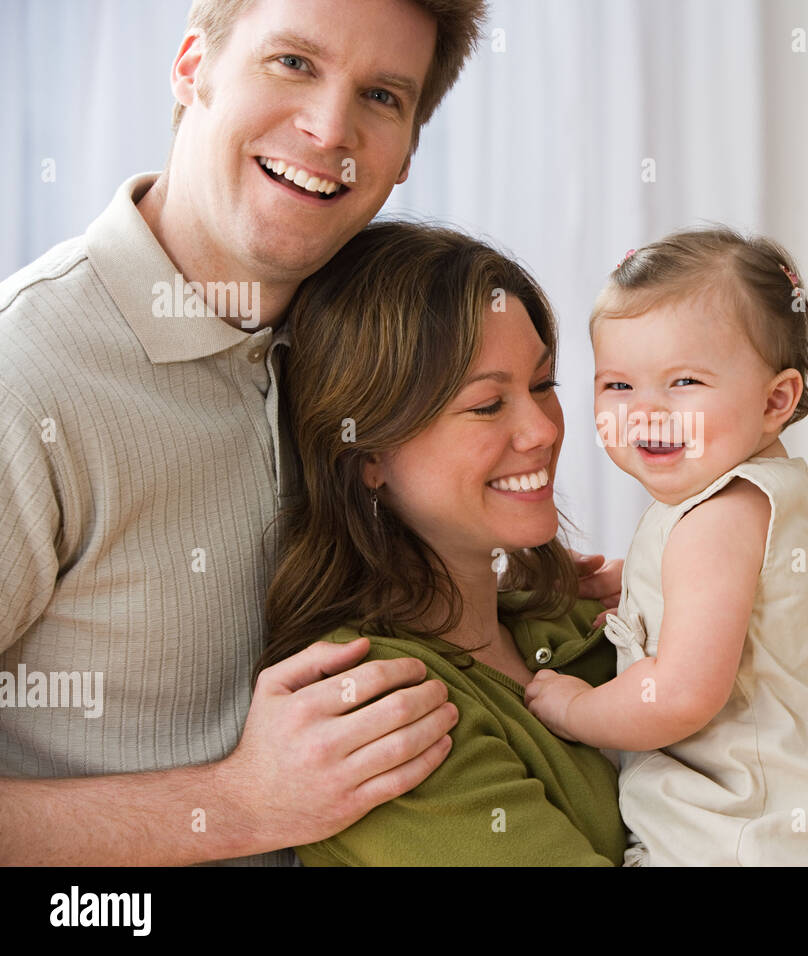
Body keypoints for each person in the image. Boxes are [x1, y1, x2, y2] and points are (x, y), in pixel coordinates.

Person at [0, 0, 618, 866]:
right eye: (293, 63)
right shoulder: (24, 375)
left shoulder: (356, 345)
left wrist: (537, 602)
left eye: (382, 96)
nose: (330, 128)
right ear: (192, 66)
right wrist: (233, 804)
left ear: (407, 153)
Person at [525, 227, 808, 865]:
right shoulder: (762, 497)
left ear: (776, 400)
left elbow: (683, 694)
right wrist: (640, 596)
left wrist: (577, 709)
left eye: (684, 382)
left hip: (749, 838)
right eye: (619, 386)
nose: (646, 412)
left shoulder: (716, 521)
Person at [260, 222, 626, 866]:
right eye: (488, 406)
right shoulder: (377, 706)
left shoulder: (572, 619)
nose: (542, 430)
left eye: (544, 385)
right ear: (369, 453)